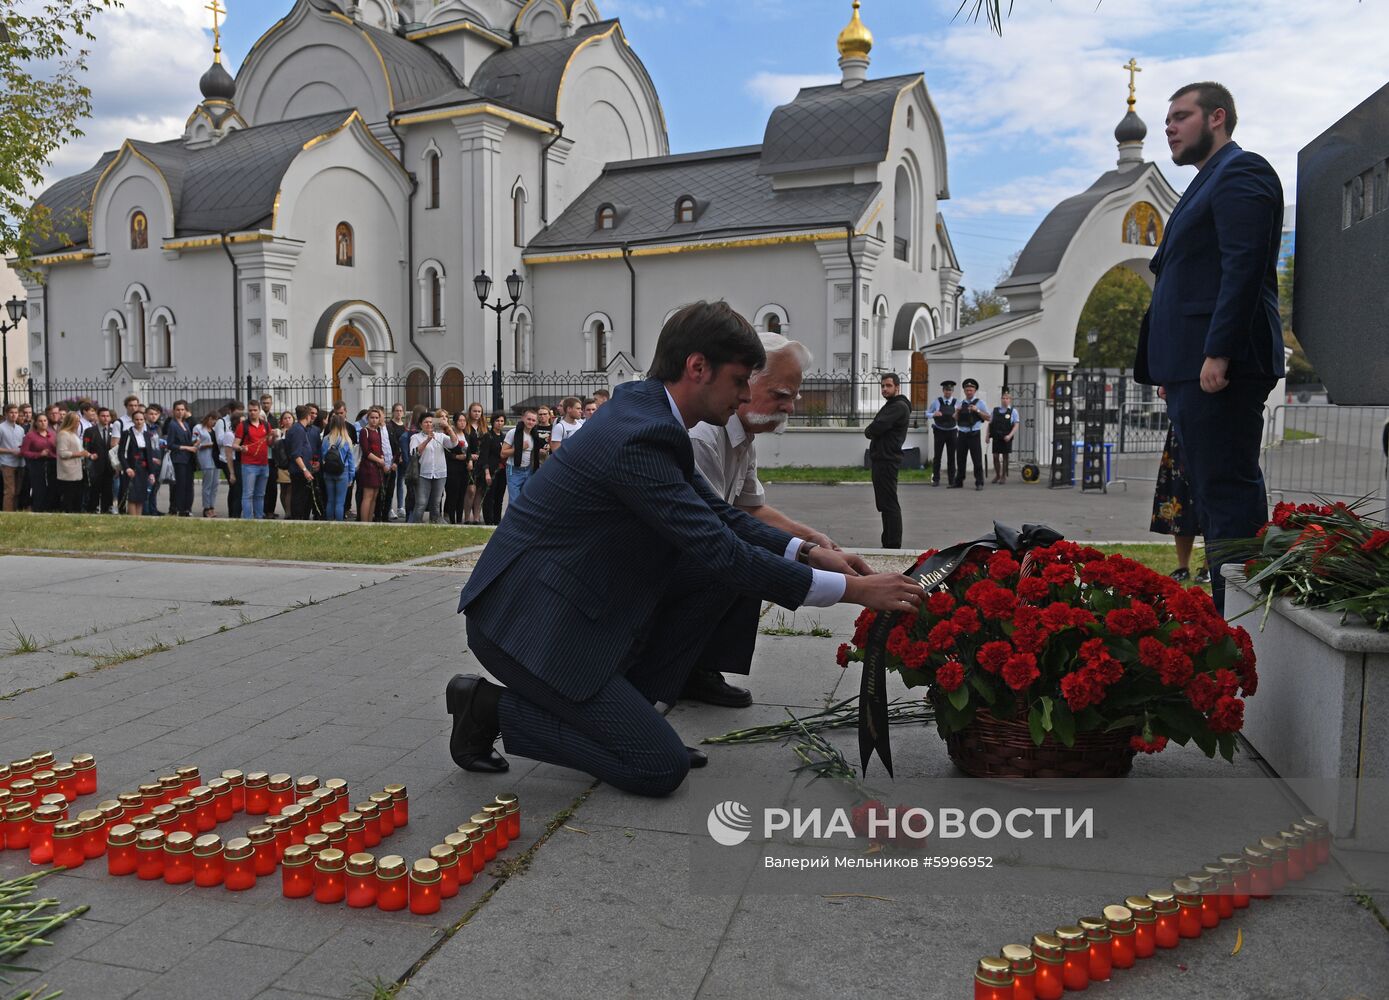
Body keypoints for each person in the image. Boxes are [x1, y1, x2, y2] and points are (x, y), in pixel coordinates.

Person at [447, 300, 924, 796]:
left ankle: (628, 711)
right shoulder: (642, 434)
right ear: (698, 367)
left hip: (569, 605)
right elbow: (723, 549)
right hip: (524, 625)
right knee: (657, 767)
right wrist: (856, 590)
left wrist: (808, 552)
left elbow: (718, 513)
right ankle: (485, 706)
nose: (744, 396)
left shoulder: (649, 413)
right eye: (740, 381)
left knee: (711, 582)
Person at [1135, 81, 1284, 613]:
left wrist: (1217, 352)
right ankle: (1230, 620)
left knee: (1228, 496)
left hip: (1221, 364)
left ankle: (1239, 624)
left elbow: (1243, 267)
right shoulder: (1204, 183)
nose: (1168, 127)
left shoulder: (1242, 171)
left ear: (1217, 118)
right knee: (1213, 495)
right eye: (1167, 118)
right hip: (1191, 369)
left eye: (1181, 116)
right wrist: (1166, 367)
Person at [689, 333, 870, 707]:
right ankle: (687, 668)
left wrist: (814, 540)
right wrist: (817, 566)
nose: (790, 407)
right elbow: (713, 532)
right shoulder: (704, 437)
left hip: (699, 545)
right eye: (781, 395)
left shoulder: (742, 434)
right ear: (745, 383)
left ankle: (699, 667)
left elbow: (749, 507)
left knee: (756, 550)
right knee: (748, 560)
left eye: (793, 397)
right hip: (676, 558)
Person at [1150, 422, 1211, 584]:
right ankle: (1182, 567)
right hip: (1182, 432)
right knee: (1179, 498)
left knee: (1212, 503)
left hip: (1212, 430)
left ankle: (1208, 568)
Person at [864, 372, 911, 549]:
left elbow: (876, 427)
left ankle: (892, 544)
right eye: (882, 386)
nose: (884, 389)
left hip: (887, 459)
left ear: (897, 387)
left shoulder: (898, 406)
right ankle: (889, 541)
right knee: (885, 502)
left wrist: (870, 430)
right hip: (883, 458)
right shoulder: (892, 405)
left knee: (889, 503)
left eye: (888, 386)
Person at [409, 413, 454, 523]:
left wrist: (448, 428)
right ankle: (415, 525)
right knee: (421, 503)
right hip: (423, 474)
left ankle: (434, 524)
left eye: (430, 422)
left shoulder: (440, 436)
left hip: (440, 473)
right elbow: (414, 452)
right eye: (426, 422)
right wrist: (427, 440)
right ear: (421, 424)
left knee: (436, 502)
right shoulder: (415, 437)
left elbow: (454, 443)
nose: (429, 424)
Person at [236, 400, 272, 520]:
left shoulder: (266, 425)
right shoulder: (243, 426)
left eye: (255, 410)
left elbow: (270, 443)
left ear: (259, 410)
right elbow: (234, 444)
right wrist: (241, 448)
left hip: (264, 464)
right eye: (250, 410)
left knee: (260, 494)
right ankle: (248, 519)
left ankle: (259, 518)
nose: (252, 413)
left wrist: (274, 437)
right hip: (249, 465)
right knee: (248, 494)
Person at [119, 407, 157, 517]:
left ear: (144, 420)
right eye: (136, 419)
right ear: (133, 420)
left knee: (141, 495)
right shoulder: (128, 434)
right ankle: (133, 518)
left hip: (143, 469)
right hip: (132, 468)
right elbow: (122, 453)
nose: (139, 422)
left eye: (141, 420)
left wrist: (151, 473)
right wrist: (127, 468)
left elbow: (149, 455)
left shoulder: (146, 434)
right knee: (132, 495)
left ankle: (139, 518)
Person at [953, 378, 988, 490]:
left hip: (974, 434)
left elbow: (988, 417)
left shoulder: (980, 403)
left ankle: (979, 482)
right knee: (960, 459)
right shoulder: (960, 403)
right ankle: (959, 481)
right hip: (962, 434)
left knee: (977, 459)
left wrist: (977, 410)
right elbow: (955, 418)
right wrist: (957, 411)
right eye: (967, 390)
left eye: (971, 390)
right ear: (964, 391)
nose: (969, 392)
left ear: (974, 391)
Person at [320, 414, 357, 522]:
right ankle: (339, 523)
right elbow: (351, 461)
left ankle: (330, 521)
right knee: (340, 502)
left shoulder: (326, 439)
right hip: (343, 472)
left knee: (330, 500)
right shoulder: (346, 440)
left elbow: (323, 456)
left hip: (328, 472)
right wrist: (351, 477)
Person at [164, 400, 198, 517]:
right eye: (178, 410)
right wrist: (187, 448)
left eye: (182, 409)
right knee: (181, 485)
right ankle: (180, 508)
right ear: (174, 411)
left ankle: (187, 508)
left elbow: (188, 441)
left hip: (188, 459)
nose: (180, 412)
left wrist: (195, 443)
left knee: (189, 485)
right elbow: (170, 444)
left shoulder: (186, 424)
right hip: (179, 459)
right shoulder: (172, 425)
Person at [285, 405, 318, 520]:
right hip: (299, 471)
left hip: (301, 470)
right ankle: (298, 519)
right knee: (299, 497)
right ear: (308, 416)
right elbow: (296, 454)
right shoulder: (298, 430)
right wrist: (305, 470)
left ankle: (301, 518)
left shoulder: (299, 429)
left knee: (302, 497)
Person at [20, 412, 57, 512]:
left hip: (52, 464)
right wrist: (38, 454)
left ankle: (50, 509)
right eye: (40, 421)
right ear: (36, 423)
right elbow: (23, 452)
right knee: (39, 488)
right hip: (37, 464)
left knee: (52, 488)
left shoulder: (52, 435)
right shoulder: (30, 436)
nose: (43, 423)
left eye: (45, 421)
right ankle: (38, 509)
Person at [500, 408, 538, 504]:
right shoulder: (513, 432)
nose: (530, 422)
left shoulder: (534, 435)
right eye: (528, 419)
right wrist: (519, 448)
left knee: (526, 500)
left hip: (528, 470)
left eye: (533, 420)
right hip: (514, 470)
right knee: (514, 501)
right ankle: (512, 519)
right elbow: (503, 453)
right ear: (522, 419)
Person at [356, 407, 387, 523]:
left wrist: (382, 458)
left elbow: (380, 448)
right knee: (367, 496)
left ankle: (370, 521)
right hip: (368, 467)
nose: (374, 420)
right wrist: (379, 460)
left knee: (374, 496)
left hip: (377, 468)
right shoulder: (365, 431)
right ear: (368, 418)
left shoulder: (377, 431)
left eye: (376, 418)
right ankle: (364, 522)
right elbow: (366, 451)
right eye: (372, 417)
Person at [926, 380, 958, 487]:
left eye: (950, 390)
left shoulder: (957, 402)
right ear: (943, 391)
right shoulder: (937, 402)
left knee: (951, 457)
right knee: (937, 456)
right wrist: (934, 413)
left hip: (952, 431)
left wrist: (958, 416)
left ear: (952, 391)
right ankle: (936, 479)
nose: (948, 392)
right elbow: (927, 413)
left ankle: (952, 480)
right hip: (939, 431)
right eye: (946, 390)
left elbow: (961, 415)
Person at [217, 401, 245, 519]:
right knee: (235, 488)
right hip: (229, 461)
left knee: (237, 489)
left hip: (239, 461)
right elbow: (221, 442)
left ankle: (235, 513)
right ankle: (233, 514)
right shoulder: (224, 425)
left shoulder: (240, 433)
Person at [54, 412, 87, 513]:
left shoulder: (74, 434)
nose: (78, 423)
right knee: (69, 496)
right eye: (76, 421)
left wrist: (88, 454)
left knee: (77, 496)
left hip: (77, 470)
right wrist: (79, 454)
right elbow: (62, 453)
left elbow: (80, 449)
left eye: (78, 421)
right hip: (68, 472)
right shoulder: (63, 434)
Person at [460, 402, 486, 525]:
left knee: (480, 490)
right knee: (471, 489)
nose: (477, 413)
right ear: (470, 412)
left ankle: (476, 517)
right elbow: (464, 444)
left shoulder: (484, 428)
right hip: (470, 461)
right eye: (474, 411)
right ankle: (467, 517)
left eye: (479, 411)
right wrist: (469, 457)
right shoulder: (466, 427)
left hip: (482, 462)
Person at [445, 411, 472, 525]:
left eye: (464, 421)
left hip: (464, 469)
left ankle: (460, 520)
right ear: (455, 422)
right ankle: (451, 519)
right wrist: (456, 456)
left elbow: (469, 450)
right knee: (453, 495)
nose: (462, 423)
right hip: (453, 468)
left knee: (462, 494)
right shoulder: (449, 435)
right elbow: (446, 452)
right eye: (460, 420)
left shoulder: (466, 435)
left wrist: (469, 460)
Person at [988, 390, 1021, 484]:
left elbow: (1016, 425)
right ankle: (997, 475)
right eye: (1003, 398)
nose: (1005, 400)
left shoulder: (1013, 411)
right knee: (995, 456)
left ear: (1010, 400)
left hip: (1006, 437)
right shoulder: (995, 410)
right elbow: (990, 424)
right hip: (996, 436)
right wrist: (987, 435)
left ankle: (1003, 476)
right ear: (1001, 399)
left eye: (1007, 398)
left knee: (1005, 456)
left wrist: (1010, 435)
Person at [1, 403, 26, 512]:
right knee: (10, 491)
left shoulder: (20, 429)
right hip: (7, 463)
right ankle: (7, 514)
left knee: (17, 491)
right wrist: (11, 451)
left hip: (20, 463)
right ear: (6, 414)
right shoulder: (1, 428)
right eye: (11, 413)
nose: (14, 415)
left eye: (16, 413)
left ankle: (14, 513)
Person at [271, 410, 295, 518]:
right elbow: (274, 447)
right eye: (285, 418)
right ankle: (286, 510)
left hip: (292, 464)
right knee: (283, 489)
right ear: (282, 421)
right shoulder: (279, 432)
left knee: (290, 488)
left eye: (289, 418)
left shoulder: (295, 431)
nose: (287, 420)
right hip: (281, 464)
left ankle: (288, 512)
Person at [195, 413, 220, 517]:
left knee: (215, 485)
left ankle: (212, 506)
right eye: (214, 421)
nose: (215, 423)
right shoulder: (198, 428)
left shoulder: (214, 430)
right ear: (210, 418)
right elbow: (195, 443)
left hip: (215, 460)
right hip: (206, 459)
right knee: (207, 485)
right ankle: (206, 508)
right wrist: (207, 445)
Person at [142, 403, 165, 515]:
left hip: (158, 461)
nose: (153, 416)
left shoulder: (158, 428)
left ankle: (153, 509)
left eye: (156, 414)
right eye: (151, 414)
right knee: (147, 488)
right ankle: (145, 511)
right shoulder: (143, 428)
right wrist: (150, 459)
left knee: (155, 488)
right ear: (145, 415)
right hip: (148, 462)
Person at [387, 403, 408, 519]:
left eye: (400, 411)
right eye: (397, 410)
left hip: (402, 460)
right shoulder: (390, 425)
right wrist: (397, 456)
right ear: (393, 412)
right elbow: (391, 443)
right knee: (392, 483)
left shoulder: (404, 427)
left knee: (401, 483)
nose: (399, 413)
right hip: (394, 458)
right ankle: (389, 508)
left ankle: (400, 507)